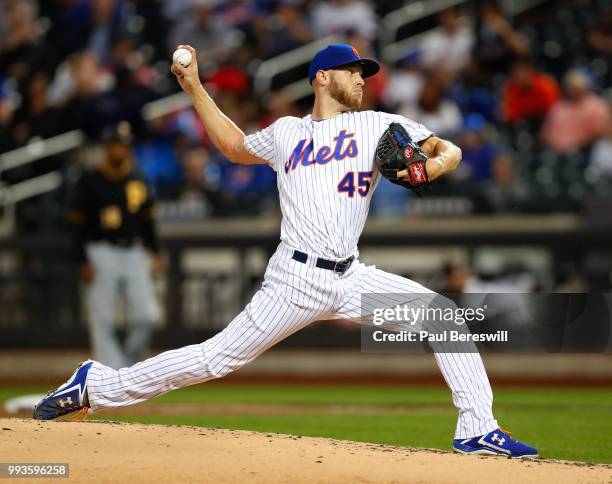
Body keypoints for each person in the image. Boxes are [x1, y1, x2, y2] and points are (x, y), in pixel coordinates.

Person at [34, 44, 538, 458]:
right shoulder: (286, 133)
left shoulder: (377, 125)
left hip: (350, 278)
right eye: (352, 71)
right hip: (293, 282)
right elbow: (233, 147)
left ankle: (476, 429)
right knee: (214, 360)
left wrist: (436, 167)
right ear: (322, 78)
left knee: (441, 315)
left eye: (365, 73)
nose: (362, 79)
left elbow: (449, 149)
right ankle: (95, 386)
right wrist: (193, 87)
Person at [66, 121, 165, 369]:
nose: (118, 151)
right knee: (103, 319)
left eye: (122, 146)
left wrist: (155, 251)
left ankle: (128, 369)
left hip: (133, 250)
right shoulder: (89, 179)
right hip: (101, 250)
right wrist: (82, 260)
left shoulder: (138, 178)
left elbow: (147, 221)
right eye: (114, 146)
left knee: (146, 316)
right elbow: (77, 225)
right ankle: (109, 372)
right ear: (105, 148)